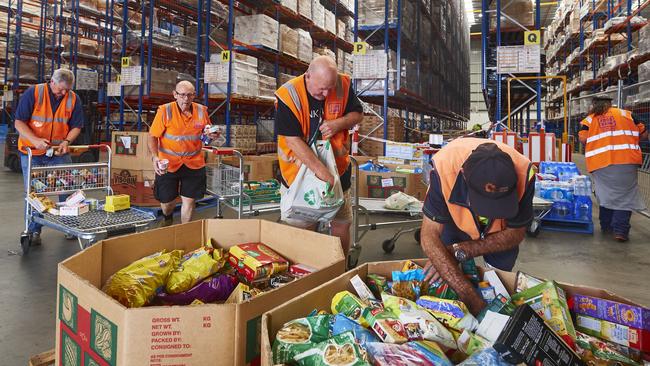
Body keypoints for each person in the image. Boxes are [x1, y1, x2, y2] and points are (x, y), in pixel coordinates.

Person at [420, 138, 535, 314]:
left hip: (501, 232)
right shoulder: (445, 168)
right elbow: (429, 236)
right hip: (454, 221)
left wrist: (462, 250)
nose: (490, 212)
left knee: (500, 281)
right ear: (464, 176)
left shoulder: (524, 172)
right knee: (446, 270)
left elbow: (516, 233)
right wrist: (470, 297)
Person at [275, 56, 363, 255]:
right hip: (300, 175)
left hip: (339, 171)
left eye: (329, 88)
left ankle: (338, 266)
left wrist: (337, 124)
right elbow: (292, 140)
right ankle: (310, 270)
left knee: (341, 224)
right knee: (306, 227)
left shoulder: (342, 85)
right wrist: (323, 174)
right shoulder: (289, 95)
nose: (326, 94)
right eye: (321, 88)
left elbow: (358, 114)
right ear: (308, 76)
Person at [15, 68, 85, 245]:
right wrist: (35, 140)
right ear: (51, 82)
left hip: (58, 152)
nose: (63, 93)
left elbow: (76, 125)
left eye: (67, 90)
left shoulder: (73, 98)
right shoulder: (34, 93)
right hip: (32, 152)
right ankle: (33, 231)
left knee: (67, 189)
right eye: (60, 89)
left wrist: (67, 141)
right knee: (34, 194)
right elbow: (19, 122)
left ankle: (69, 226)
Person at [148, 80, 220, 226]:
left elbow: (204, 137)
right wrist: (155, 157)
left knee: (189, 200)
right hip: (168, 164)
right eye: (182, 95)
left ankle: (183, 231)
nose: (185, 99)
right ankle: (167, 218)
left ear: (194, 96)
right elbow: (152, 136)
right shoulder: (165, 111)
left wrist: (211, 136)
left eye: (189, 95)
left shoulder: (201, 111)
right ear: (175, 95)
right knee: (167, 202)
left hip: (194, 163)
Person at [578, 95, 647, 242]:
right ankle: (620, 231)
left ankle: (606, 226)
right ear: (611, 103)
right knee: (625, 196)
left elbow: (583, 138)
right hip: (627, 161)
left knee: (605, 194)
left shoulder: (589, 120)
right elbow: (644, 132)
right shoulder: (627, 114)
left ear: (594, 104)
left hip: (600, 163)